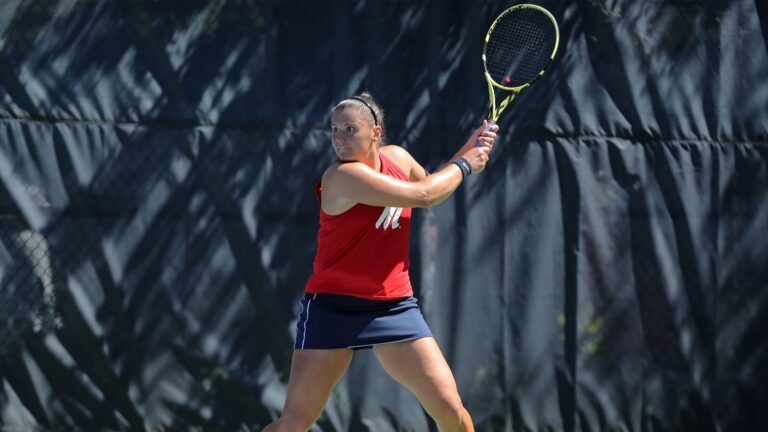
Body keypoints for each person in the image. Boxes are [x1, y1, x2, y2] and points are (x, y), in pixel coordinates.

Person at [262, 92, 497, 432]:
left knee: (453, 414)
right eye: (334, 130)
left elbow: (434, 187)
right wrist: (465, 164)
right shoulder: (341, 177)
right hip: (332, 309)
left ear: (375, 133)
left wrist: (470, 146)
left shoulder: (398, 159)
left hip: (393, 307)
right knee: (294, 424)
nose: (339, 139)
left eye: (349, 129)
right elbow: (425, 194)